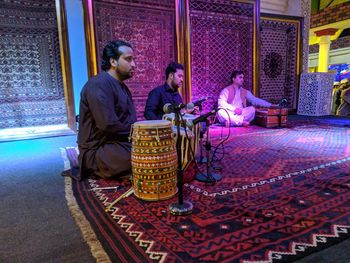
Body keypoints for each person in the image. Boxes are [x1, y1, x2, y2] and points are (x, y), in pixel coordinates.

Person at [76, 40, 137, 180]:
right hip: (98, 151)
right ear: (113, 62)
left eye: (133, 59)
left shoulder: (122, 87)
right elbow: (108, 125)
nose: (133, 64)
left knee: (159, 149)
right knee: (148, 155)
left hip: (118, 143)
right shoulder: (98, 84)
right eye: (128, 59)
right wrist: (140, 133)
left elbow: (129, 122)